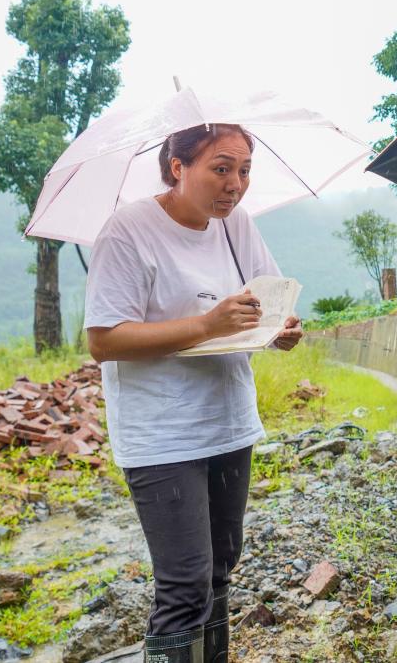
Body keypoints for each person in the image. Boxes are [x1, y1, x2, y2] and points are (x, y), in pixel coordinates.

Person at [84, 123, 303, 663]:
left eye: (245, 170)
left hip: (227, 423)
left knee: (220, 570)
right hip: (162, 437)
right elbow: (104, 340)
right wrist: (208, 324)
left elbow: (264, 300)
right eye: (221, 168)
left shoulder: (237, 226)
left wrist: (280, 330)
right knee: (184, 586)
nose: (235, 184)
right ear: (178, 167)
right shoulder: (129, 231)